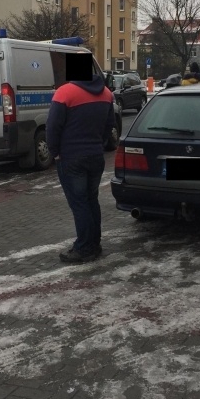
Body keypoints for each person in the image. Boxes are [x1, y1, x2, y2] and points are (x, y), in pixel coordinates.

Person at [47, 71, 116, 263]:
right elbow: (109, 124)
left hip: (71, 158)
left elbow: (52, 126)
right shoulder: (106, 94)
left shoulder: (64, 92)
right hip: (95, 156)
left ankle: (84, 248)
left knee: (79, 203)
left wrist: (55, 151)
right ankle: (94, 243)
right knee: (91, 200)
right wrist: (98, 144)